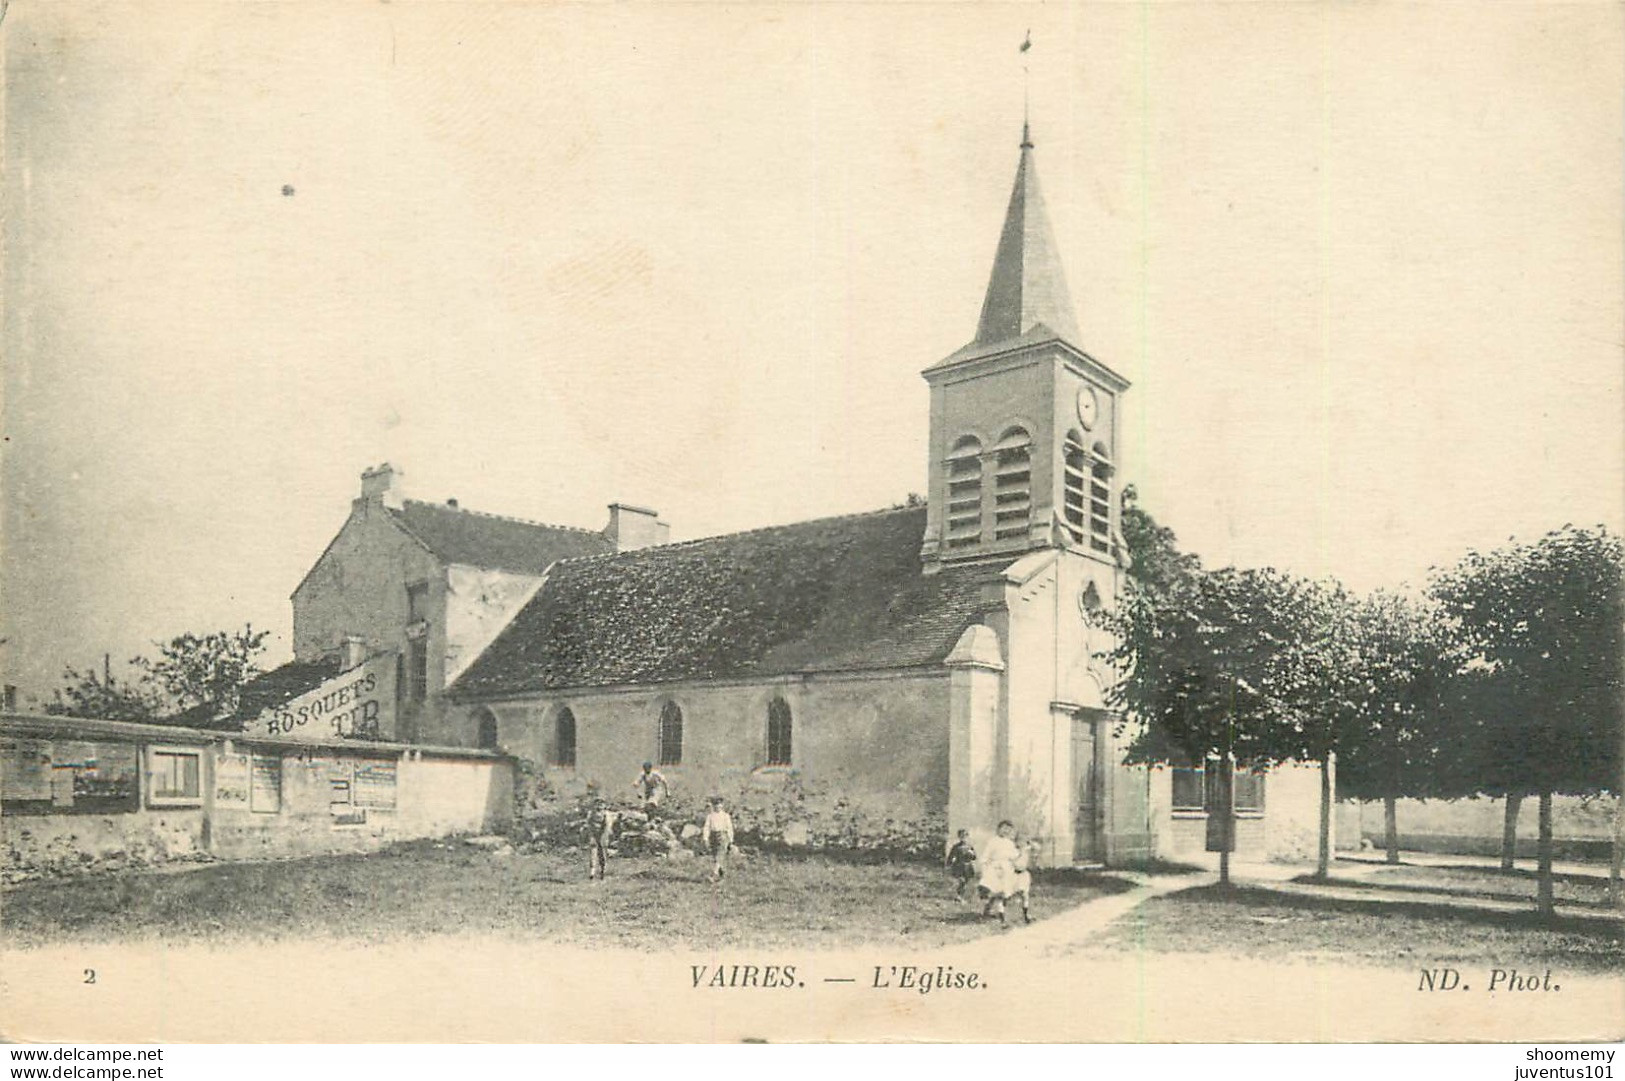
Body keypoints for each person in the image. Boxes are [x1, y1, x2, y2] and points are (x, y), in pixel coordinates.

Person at [977, 820, 1021, 924]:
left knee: (1003, 892)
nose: (1005, 831)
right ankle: (999, 915)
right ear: (998, 829)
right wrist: (984, 868)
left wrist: (1020, 851)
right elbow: (986, 855)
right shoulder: (993, 841)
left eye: (1008, 829)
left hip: (1006, 869)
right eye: (1003, 828)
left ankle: (992, 911)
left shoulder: (1009, 843)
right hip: (995, 869)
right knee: (996, 891)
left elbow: (1014, 855)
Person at [701, 795, 734, 881]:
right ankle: (721, 872)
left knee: (719, 855)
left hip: (723, 836)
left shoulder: (725, 816)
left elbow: (729, 828)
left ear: (722, 805)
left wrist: (730, 839)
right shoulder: (710, 816)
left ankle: (714, 875)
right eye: (715, 804)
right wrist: (705, 838)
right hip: (713, 836)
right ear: (713, 805)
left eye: (719, 804)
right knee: (715, 856)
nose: (718, 806)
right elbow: (706, 827)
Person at [585, 797, 618, 881]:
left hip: (603, 834)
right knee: (593, 851)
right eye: (597, 805)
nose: (598, 807)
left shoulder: (606, 814)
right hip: (594, 834)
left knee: (602, 852)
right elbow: (589, 825)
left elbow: (607, 826)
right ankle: (592, 871)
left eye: (601, 805)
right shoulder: (591, 813)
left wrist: (603, 836)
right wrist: (591, 835)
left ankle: (603, 870)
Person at [944, 829, 978, 899]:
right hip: (959, 865)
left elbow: (974, 857)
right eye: (961, 836)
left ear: (967, 837)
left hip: (968, 866)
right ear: (959, 837)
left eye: (965, 836)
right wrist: (948, 864)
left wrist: (972, 854)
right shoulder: (956, 847)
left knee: (965, 881)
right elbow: (951, 856)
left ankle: (961, 895)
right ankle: (959, 895)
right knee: (961, 880)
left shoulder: (970, 846)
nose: (963, 838)